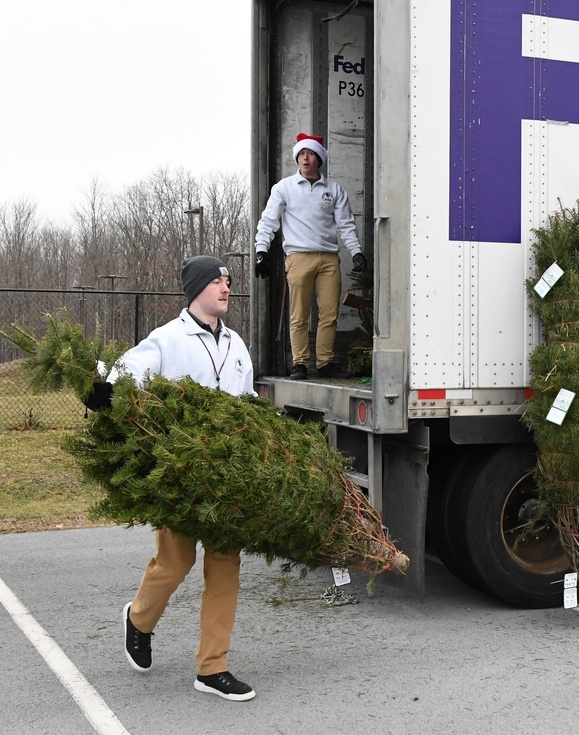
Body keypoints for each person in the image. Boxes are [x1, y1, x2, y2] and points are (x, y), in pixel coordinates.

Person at [85, 256, 257, 702]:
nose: (226, 287)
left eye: (228, 281)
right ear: (197, 288)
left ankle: (212, 667)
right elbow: (126, 373)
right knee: (175, 564)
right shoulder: (167, 340)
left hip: (226, 477)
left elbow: (248, 395)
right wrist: (104, 391)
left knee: (225, 568)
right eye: (218, 281)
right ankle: (138, 619)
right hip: (182, 478)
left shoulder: (237, 344)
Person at [253, 132, 367, 380]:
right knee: (300, 313)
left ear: (319, 159)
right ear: (297, 158)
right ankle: (300, 363)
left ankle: (325, 363)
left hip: (328, 259)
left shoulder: (334, 189)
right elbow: (269, 221)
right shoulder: (284, 188)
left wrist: (356, 252)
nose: (305, 158)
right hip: (298, 256)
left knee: (329, 313)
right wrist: (261, 250)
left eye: (311, 154)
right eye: (301, 154)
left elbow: (346, 224)